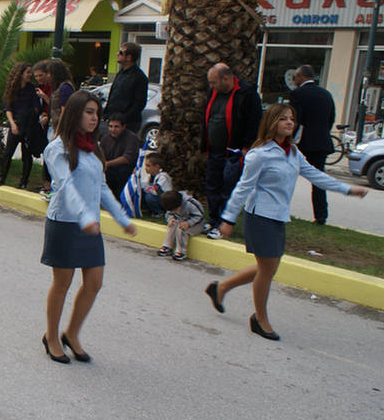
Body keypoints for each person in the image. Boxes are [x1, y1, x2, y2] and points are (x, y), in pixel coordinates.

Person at [205, 104, 367, 340]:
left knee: (267, 268)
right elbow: (243, 188)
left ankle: (220, 288)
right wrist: (228, 219)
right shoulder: (259, 154)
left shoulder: (292, 152)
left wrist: (347, 189)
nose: (290, 122)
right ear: (271, 122)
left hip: (278, 216)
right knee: (267, 270)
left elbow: (315, 175)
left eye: (291, 118)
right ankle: (260, 319)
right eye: (283, 119)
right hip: (260, 216)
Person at [41, 90, 137, 363]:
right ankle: (51, 336)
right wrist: (85, 218)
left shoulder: (93, 147)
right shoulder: (57, 148)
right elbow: (66, 186)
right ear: (75, 113)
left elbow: (102, 188)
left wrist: (122, 218)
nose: (95, 119)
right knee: (62, 283)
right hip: (66, 223)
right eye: (89, 112)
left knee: (94, 283)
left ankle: (71, 333)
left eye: (97, 113)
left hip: (90, 224)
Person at [201, 62, 263, 238]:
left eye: (214, 82)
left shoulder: (247, 94)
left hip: (235, 151)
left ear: (226, 79)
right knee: (212, 185)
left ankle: (223, 224)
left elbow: (254, 123)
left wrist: (246, 147)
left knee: (228, 188)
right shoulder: (213, 92)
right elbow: (208, 118)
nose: (211, 86)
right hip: (215, 149)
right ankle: (213, 219)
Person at [289, 64, 336, 225]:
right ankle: (321, 215)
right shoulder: (326, 94)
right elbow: (331, 118)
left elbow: (295, 119)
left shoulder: (297, 94)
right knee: (318, 179)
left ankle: (282, 209)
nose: (294, 80)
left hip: (302, 142)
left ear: (301, 77)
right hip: (321, 142)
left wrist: (288, 139)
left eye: (295, 77)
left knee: (287, 176)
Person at [0, 62, 41, 189]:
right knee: (8, 153)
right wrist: (13, 124)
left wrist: (32, 116)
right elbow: (8, 108)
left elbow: (37, 107)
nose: (30, 75)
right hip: (16, 123)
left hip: (29, 125)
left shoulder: (32, 89)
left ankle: (24, 181)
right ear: (20, 74)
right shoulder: (12, 89)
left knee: (26, 155)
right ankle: (2, 177)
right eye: (28, 72)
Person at [34, 59, 75, 198]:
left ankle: (57, 189)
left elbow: (65, 110)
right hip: (53, 125)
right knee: (50, 157)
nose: (48, 76)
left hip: (60, 129)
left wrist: (58, 132)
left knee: (57, 158)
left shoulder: (65, 88)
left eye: (50, 73)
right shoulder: (58, 88)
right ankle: (51, 186)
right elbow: (54, 107)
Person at [103, 42, 147, 134]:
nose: (117, 54)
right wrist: (107, 113)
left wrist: (123, 119)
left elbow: (140, 103)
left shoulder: (139, 77)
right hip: (113, 120)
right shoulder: (121, 73)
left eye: (121, 52)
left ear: (129, 57)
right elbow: (113, 94)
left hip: (128, 124)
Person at [100, 114, 142, 198]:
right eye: (110, 126)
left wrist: (107, 164)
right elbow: (101, 154)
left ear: (123, 127)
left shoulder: (131, 138)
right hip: (109, 169)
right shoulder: (105, 138)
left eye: (116, 127)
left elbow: (127, 158)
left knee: (122, 172)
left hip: (125, 170)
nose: (113, 130)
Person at [157, 190, 205, 261]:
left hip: (196, 224)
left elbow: (200, 216)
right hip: (181, 221)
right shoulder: (171, 204)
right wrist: (170, 219)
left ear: (180, 204)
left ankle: (181, 251)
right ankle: (167, 246)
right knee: (172, 225)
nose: (174, 211)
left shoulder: (190, 204)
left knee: (181, 229)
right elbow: (169, 214)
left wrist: (189, 223)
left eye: (175, 209)